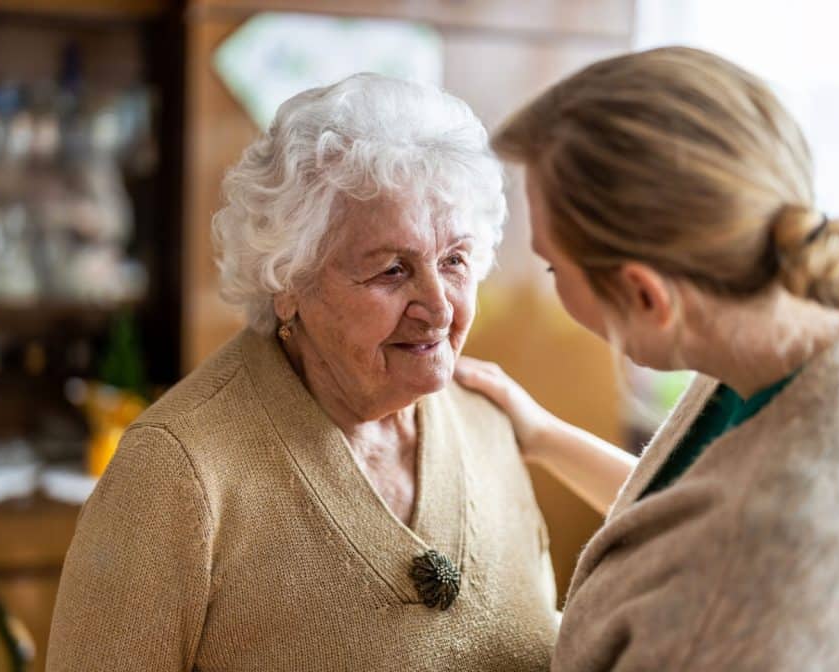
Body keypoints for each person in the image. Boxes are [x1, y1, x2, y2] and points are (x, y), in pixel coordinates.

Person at [47, 73, 558, 672]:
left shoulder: (489, 424)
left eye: (454, 261)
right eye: (392, 270)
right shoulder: (176, 474)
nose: (439, 307)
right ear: (288, 282)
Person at [456, 46, 839, 670]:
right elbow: (685, 515)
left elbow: (716, 556)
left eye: (552, 265)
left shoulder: (743, 593)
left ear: (644, 294)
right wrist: (544, 436)